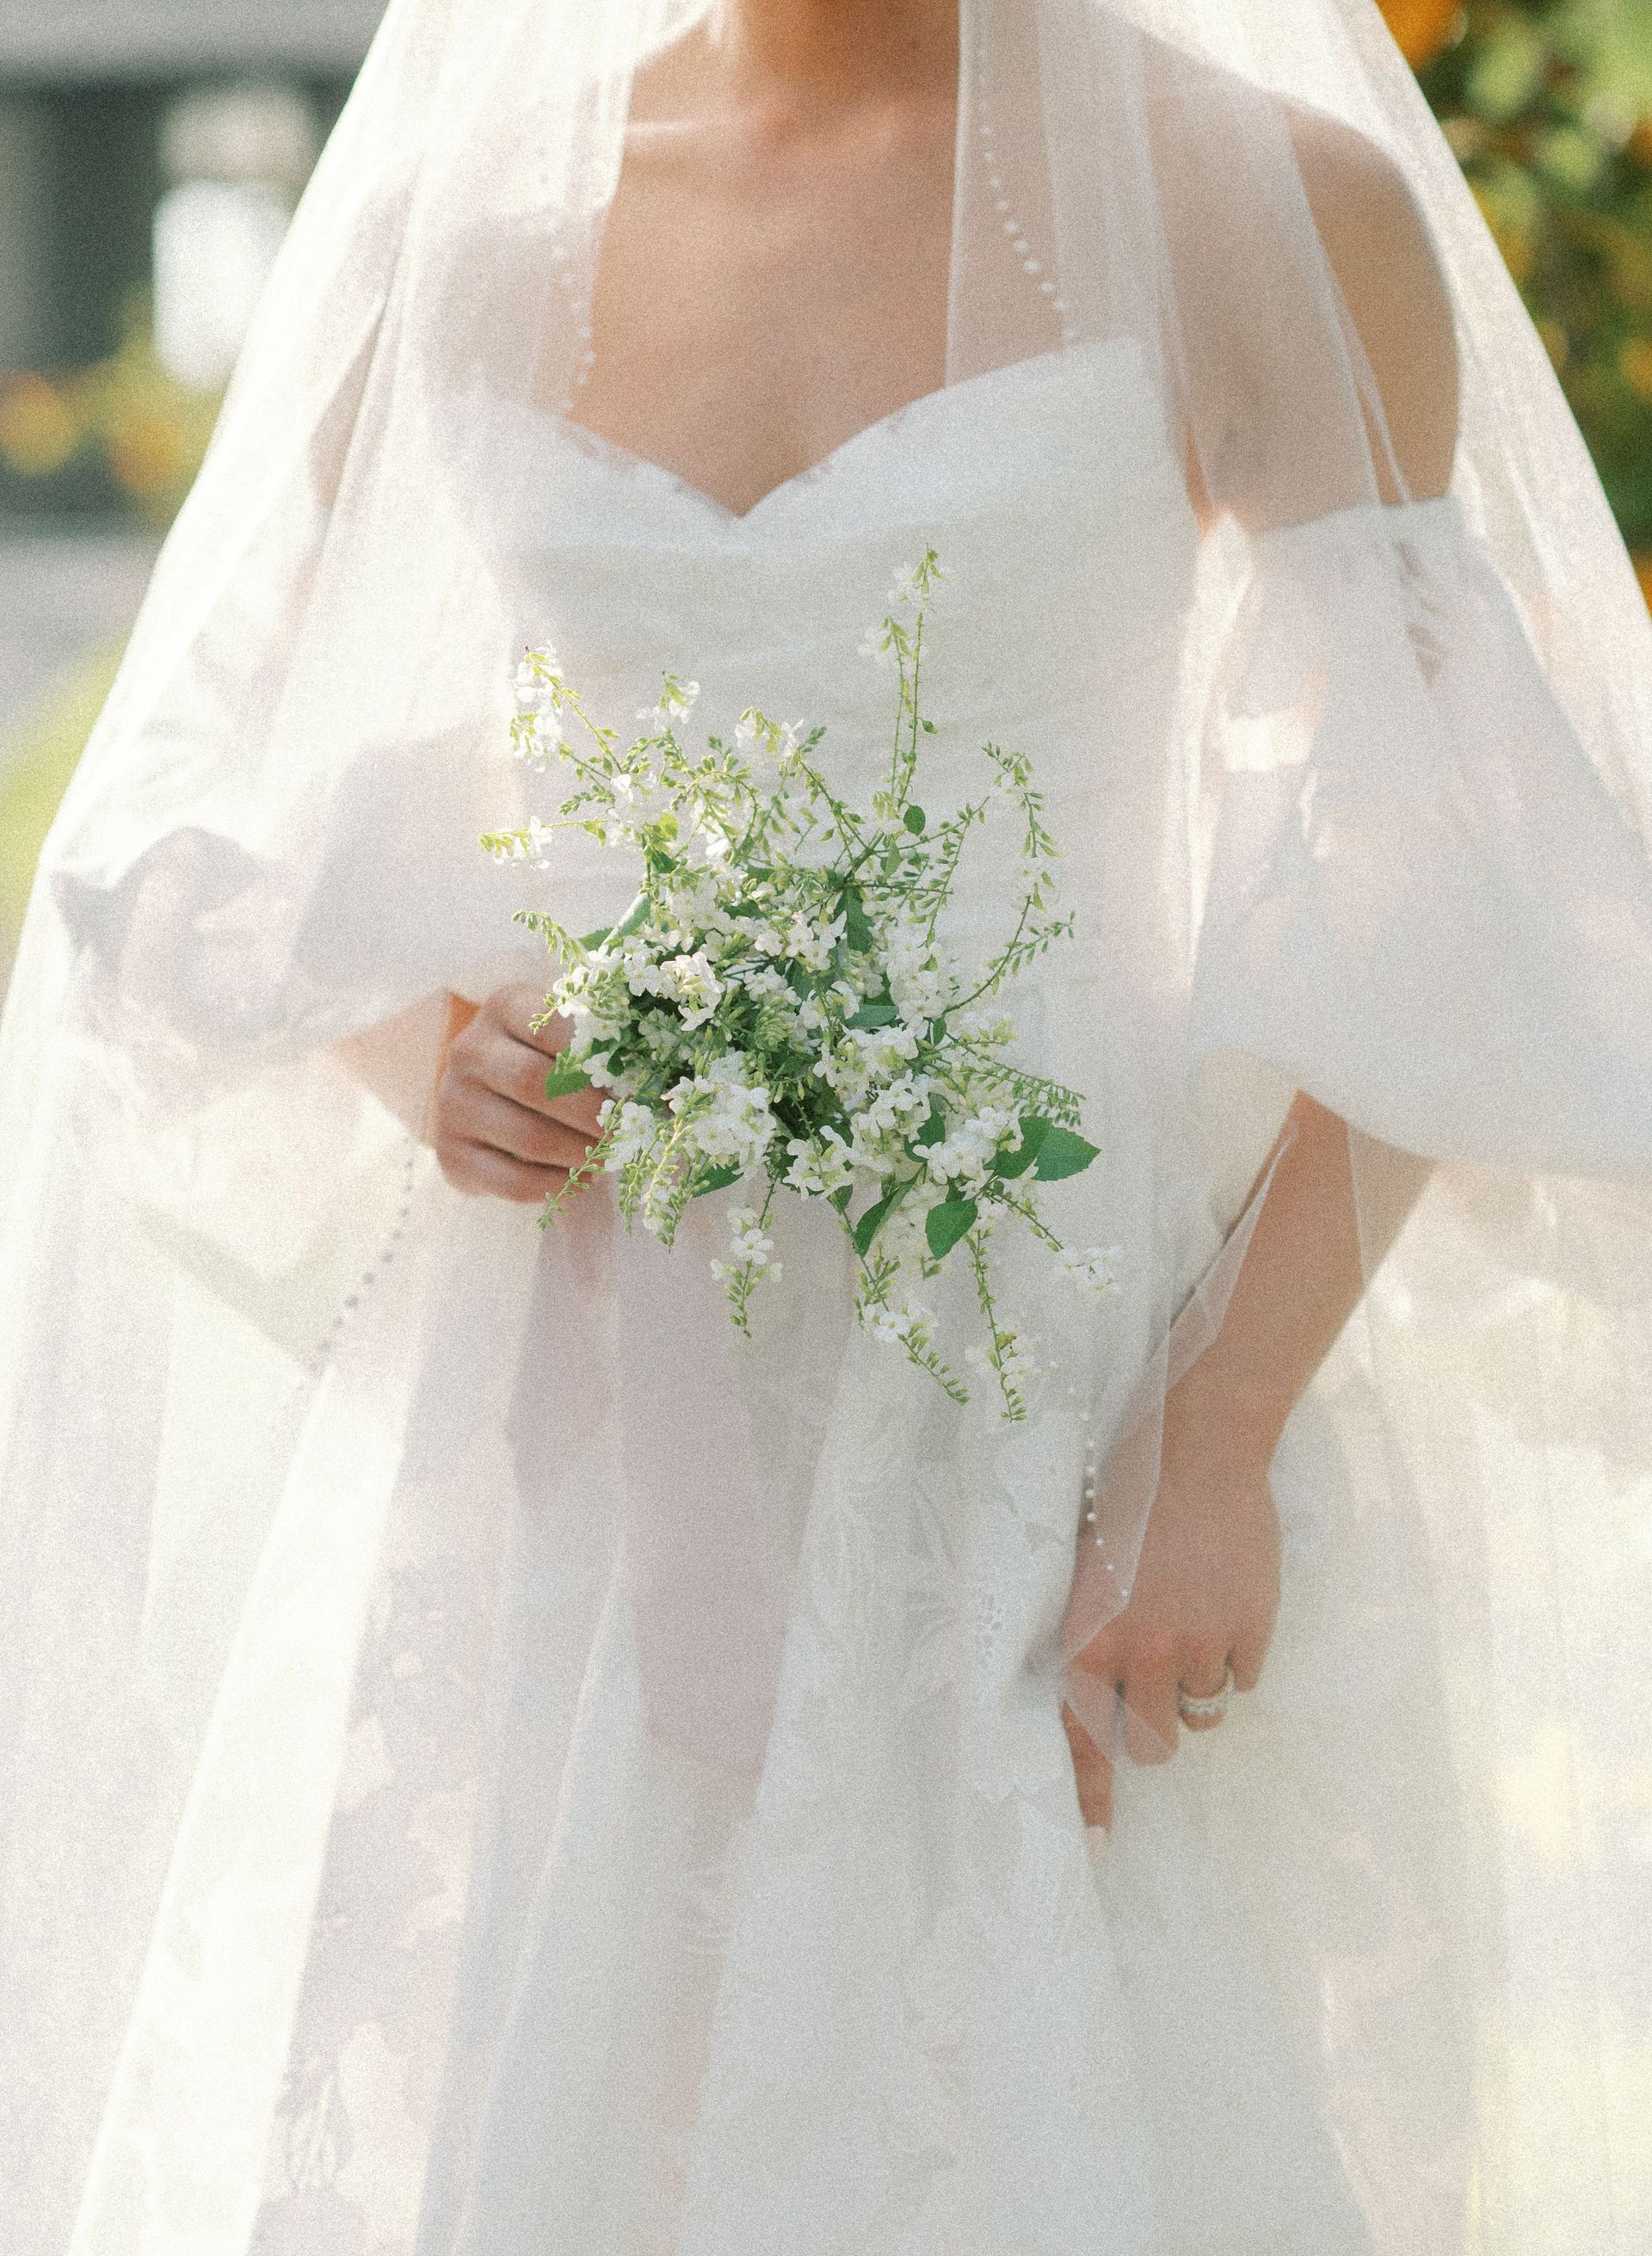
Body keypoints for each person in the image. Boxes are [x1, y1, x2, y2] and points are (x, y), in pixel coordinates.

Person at [2, 1, 1649, 2249]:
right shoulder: (475, 230)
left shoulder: (1257, 203)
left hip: (1051, 1404)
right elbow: (255, 795)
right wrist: (430, 1049)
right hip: (569, 1397)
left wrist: (1228, 1430)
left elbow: (1441, 885)